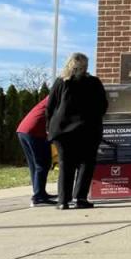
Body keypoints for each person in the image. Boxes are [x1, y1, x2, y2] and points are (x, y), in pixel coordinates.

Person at [46, 53, 108, 210]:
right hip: (88, 129)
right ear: (86, 66)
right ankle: (80, 198)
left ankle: (63, 201)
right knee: (86, 164)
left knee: (65, 164)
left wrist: (49, 128)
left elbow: (51, 107)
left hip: (62, 131)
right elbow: (103, 105)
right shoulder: (93, 83)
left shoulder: (61, 82)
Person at [16, 96, 55, 206]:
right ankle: (38, 197)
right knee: (42, 164)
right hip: (34, 131)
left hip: (24, 130)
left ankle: (40, 193)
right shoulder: (59, 97)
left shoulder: (53, 96)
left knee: (35, 165)